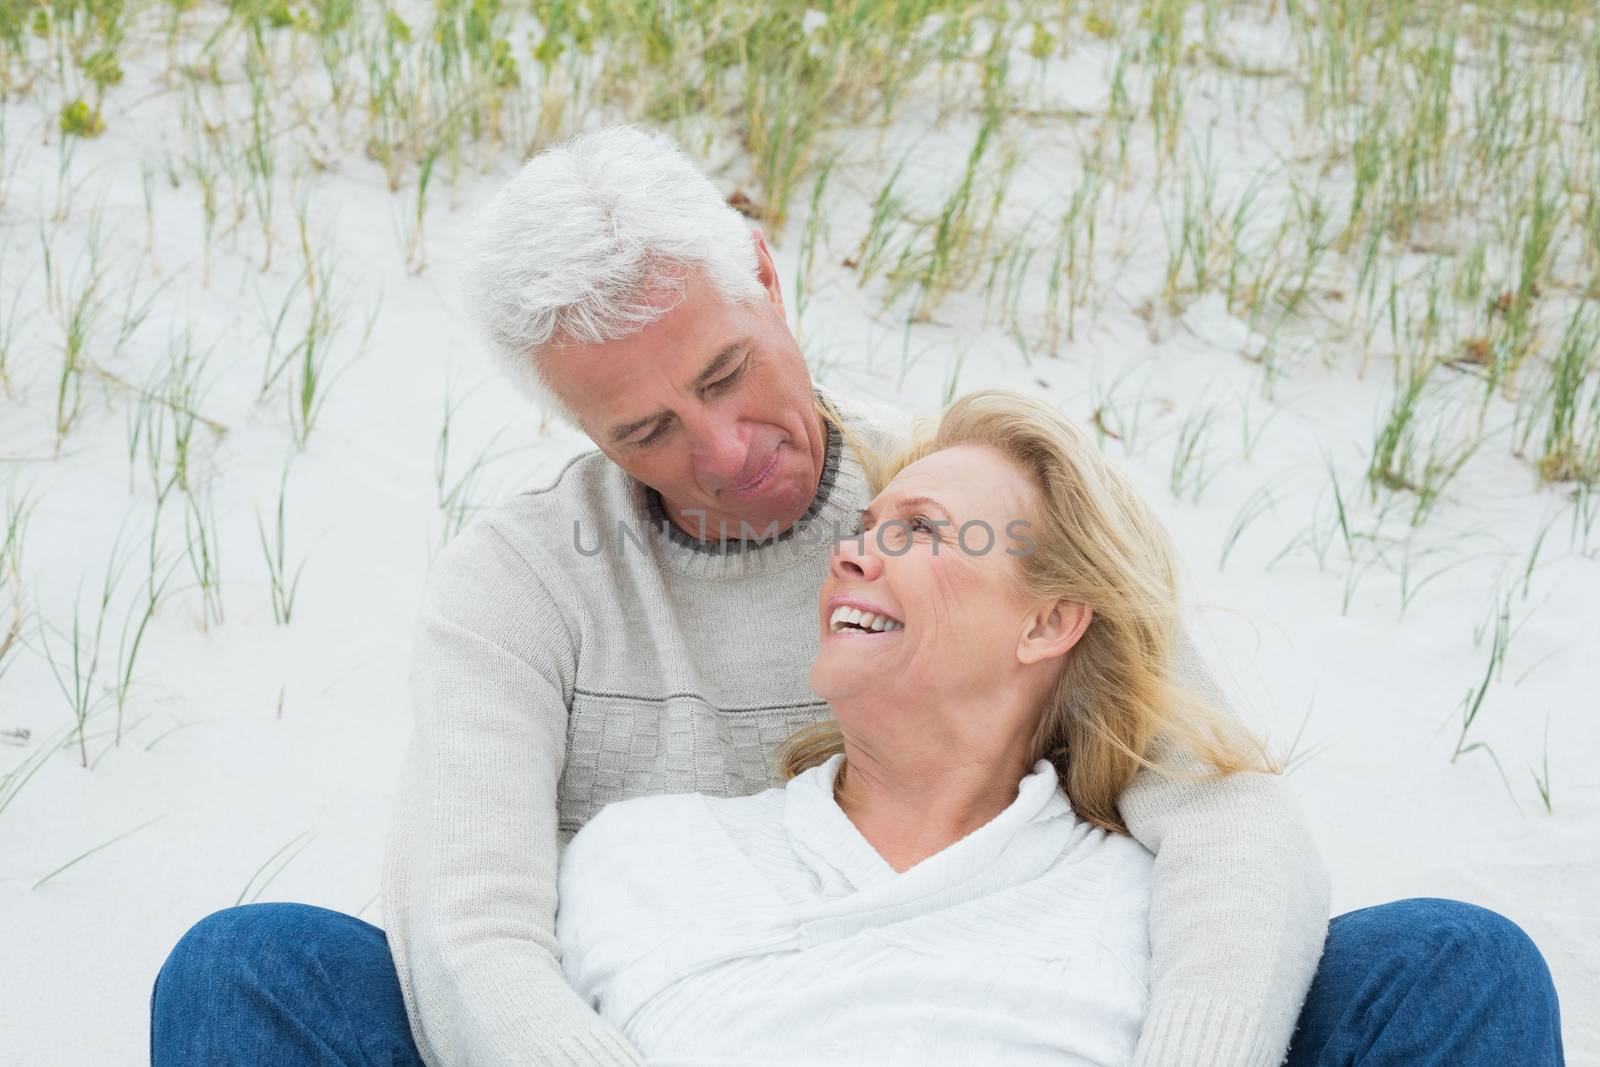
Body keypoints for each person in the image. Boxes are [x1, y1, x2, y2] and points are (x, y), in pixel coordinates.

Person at [150, 126, 1564, 1066]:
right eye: (642, 432)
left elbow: (1224, 802)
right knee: (253, 969)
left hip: (1021, 991)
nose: (719, 453)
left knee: (1448, 961)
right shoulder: (521, 585)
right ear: (577, 430)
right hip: (643, 1017)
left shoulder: (961, 492)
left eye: (722, 376)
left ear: (764, 276)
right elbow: (467, 923)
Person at [552, 388, 1288, 1065]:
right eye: (866, 529)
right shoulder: (644, 853)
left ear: (1049, 621)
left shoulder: (1150, 907)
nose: (846, 554)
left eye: (921, 529)